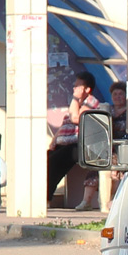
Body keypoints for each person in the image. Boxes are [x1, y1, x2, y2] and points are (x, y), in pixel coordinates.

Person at [47, 70, 101, 208]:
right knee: (45, 160)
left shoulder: (91, 102)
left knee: (55, 163)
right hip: (64, 142)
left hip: (79, 144)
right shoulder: (77, 103)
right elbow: (66, 122)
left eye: (78, 87)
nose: (74, 89)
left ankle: (46, 198)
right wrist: (55, 139)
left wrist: (75, 99)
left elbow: (75, 118)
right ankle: (41, 194)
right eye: (74, 86)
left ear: (87, 89)